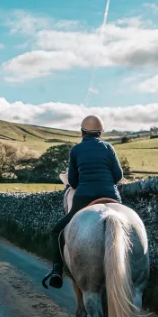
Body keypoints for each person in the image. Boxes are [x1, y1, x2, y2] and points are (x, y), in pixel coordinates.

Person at [44, 115, 123, 289]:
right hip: (112, 196)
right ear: (100, 133)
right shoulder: (109, 148)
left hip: (85, 198)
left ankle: (57, 270)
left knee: (57, 231)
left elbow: (73, 181)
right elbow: (118, 176)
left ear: (82, 132)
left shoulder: (76, 150)